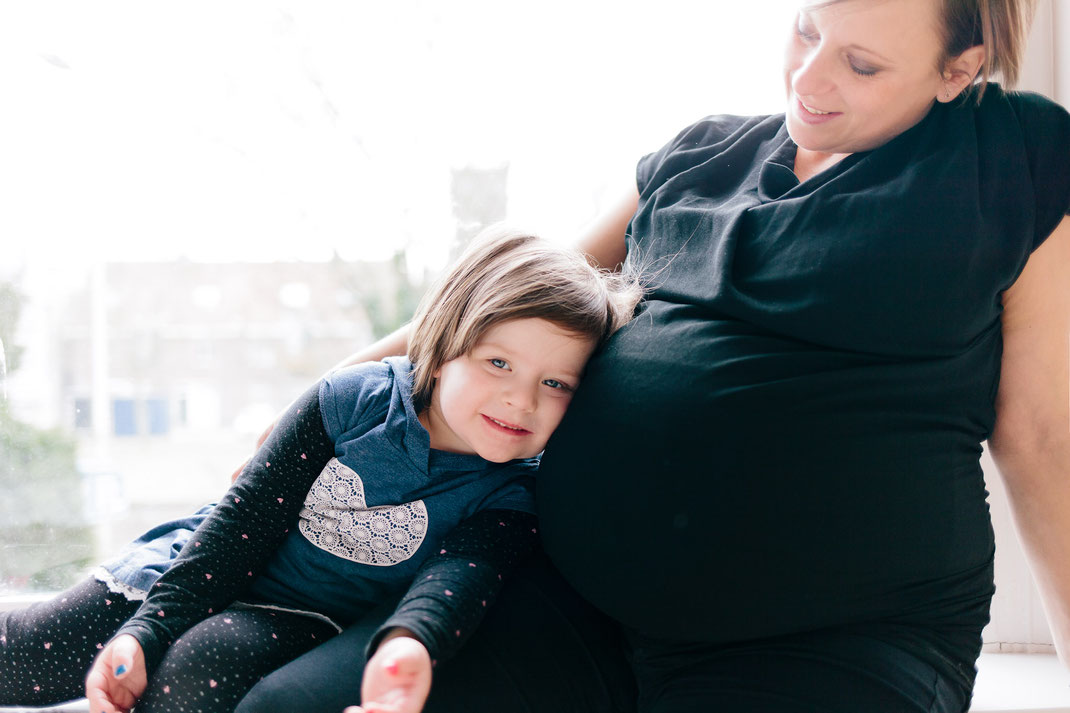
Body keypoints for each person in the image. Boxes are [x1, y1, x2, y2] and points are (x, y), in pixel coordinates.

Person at [230, 1, 1070, 712]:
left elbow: (1043, 439)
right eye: (806, 32)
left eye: (860, 64)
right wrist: (327, 394)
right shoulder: (699, 155)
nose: (810, 79)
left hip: (835, 642)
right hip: (578, 604)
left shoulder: (1010, 160)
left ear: (958, 70)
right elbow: (507, 306)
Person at [0, 227, 641, 713]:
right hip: (197, 564)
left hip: (299, 616)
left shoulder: (514, 487)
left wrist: (407, 645)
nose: (521, 400)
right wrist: (148, 626)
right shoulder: (352, 401)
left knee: (198, 671)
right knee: (43, 646)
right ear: (445, 348)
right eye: (498, 364)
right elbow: (240, 522)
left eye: (556, 383)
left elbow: (459, 579)